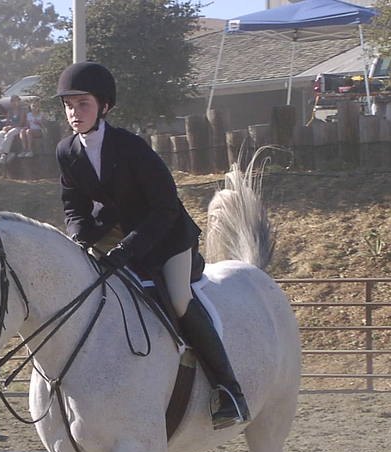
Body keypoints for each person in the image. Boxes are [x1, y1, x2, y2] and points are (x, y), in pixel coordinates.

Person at [54, 61, 250, 430]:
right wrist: (79, 238)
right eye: (68, 105)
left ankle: (228, 391)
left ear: (104, 106)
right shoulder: (67, 150)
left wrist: (127, 250)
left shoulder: (132, 148)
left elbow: (165, 207)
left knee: (178, 299)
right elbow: (73, 206)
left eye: (83, 104)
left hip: (166, 236)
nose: (74, 113)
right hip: (115, 235)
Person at [0, 94, 25, 164]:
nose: (15, 103)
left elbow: (21, 123)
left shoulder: (22, 111)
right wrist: (6, 127)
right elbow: (7, 122)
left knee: (9, 134)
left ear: (19, 101)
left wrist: (11, 127)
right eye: (13, 101)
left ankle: (4, 154)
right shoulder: (10, 111)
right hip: (11, 127)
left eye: (16, 101)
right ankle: (6, 154)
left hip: (19, 128)